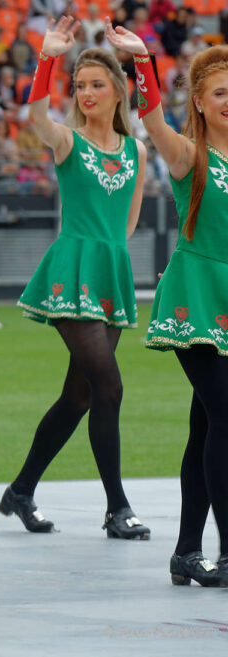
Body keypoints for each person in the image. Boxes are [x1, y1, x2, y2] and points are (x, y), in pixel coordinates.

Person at [0, 17, 151, 541]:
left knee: (81, 395)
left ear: (117, 91)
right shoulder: (66, 141)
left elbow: (128, 224)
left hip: (109, 271)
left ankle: (20, 490)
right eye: (80, 84)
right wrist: (49, 58)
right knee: (108, 386)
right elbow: (36, 113)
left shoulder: (136, 151)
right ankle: (117, 506)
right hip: (71, 274)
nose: (86, 92)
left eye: (96, 84)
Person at [136, 38, 228, 587]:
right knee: (226, 418)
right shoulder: (188, 156)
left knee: (206, 427)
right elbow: (150, 119)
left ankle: (186, 552)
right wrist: (143, 62)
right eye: (220, 93)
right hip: (194, 300)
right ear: (198, 100)